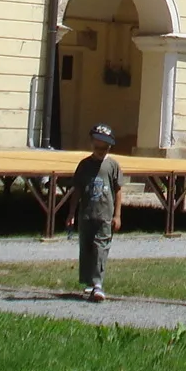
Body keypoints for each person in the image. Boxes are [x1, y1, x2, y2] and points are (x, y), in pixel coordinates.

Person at [65, 123, 124, 301]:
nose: (101, 151)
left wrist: (117, 215)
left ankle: (98, 284)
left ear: (109, 147)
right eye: (98, 147)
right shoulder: (84, 165)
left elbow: (118, 190)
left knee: (101, 248)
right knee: (87, 249)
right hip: (86, 214)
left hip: (105, 215)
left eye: (104, 148)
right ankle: (89, 282)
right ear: (92, 143)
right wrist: (71, 214)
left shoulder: (112, 166)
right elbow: (77, 191)